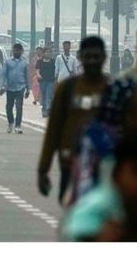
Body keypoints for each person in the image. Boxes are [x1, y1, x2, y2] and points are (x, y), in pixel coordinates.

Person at [37, 35, 110, 204]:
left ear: (104, 58)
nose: (92, 61)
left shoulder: (111, 89)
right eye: (87, 56)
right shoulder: (67, 88)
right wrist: (43, 169)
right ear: (80, 58)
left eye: (96, 57)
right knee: (69, 203)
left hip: (103, 163)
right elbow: (53, 130)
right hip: (70, 158)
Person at [2, 43, 29, 134]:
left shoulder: (25, 63)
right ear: (12, 51)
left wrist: (28, 89)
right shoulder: (7, 61)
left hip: (20, 87)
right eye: (15, 50)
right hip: (9, 87)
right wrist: (3, 85)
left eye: (18, 50)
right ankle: (10, 123)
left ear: (21, 51)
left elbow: (26, 76)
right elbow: (4, 74)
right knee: (9, 107)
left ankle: (18, 126)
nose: (16, 52)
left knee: (19, 107)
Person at [37, 46, 56, 117]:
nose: (48, 53)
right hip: (42, 81)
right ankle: (44, 110)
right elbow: (37, 70)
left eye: (49, 52)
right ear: (43, 53)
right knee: (44, 96)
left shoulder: (53, 61)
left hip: (51, 81)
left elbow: (56, 70)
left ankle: (48, 109)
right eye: (46, 52)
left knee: (49, 95)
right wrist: (38, 75)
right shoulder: (40, 61)